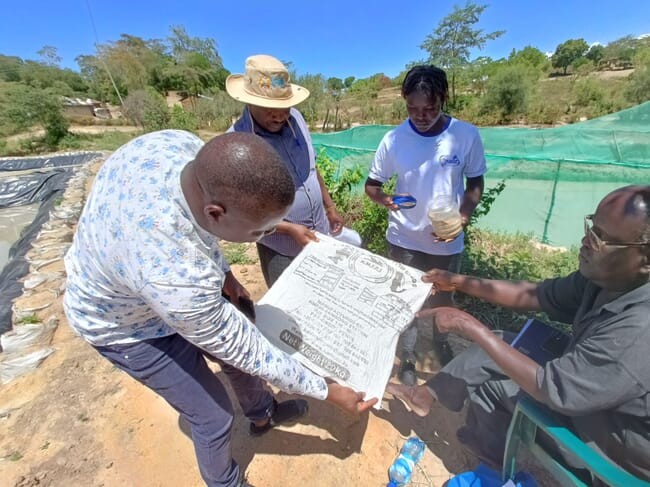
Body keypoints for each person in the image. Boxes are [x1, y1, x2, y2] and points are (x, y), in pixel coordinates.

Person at [63, 130, 377, 487]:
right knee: (212, 413)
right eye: (260, 232)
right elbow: (251, 351)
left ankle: (263, 415)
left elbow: (198, 231)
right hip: (126, 326)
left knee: (239, 335)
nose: (264, 236)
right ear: (215, 212)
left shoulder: (176, 145)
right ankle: (226, 482)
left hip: (151, 281)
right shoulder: (178, 278)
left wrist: (225, 274)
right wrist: (328, 391)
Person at [386, 185, 650, 481]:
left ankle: (493, 472)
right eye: (591, 227)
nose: (586, 241)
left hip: (619, 445)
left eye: (601, 239)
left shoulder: (640, 330)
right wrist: (457, 281)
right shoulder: (608, 279)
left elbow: (553, 388)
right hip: (595, 392)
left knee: (496, 388)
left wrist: (469, 325)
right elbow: (534, 295)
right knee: (504, 343)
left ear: (646, 260)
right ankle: (425, 394)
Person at [364, 65, 486, 384]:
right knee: (407, 300)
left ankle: (439, 346)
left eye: (429, 108)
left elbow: (475, 183)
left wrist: (462, 218)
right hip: (404, 239)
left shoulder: (465, 135)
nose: (420, 115)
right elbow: (372, 186)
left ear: (444, 99)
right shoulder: (394, 140)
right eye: (412, 108)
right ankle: (406, 356)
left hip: (446, 241)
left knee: (442, 298)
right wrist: (385, 200)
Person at [226, 54, 344, 287]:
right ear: (250, 101)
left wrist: (329, 206)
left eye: (284, 106)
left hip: (320, 236)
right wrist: (289, 229)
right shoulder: (236, 144)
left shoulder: (297, 118)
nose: (280, 114)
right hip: (281, 251)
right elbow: (243, 213)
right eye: (271, 108)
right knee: (290, 314)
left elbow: (311, 168)